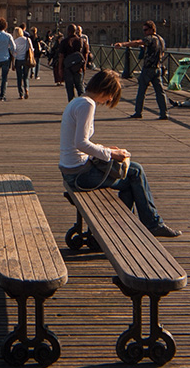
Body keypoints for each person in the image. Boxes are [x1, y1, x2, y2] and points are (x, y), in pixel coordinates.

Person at [59, 70, 182, 238]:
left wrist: (108, 149)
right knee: (135, 172)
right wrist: (110, 153)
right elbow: (80, 143)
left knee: (130, 179)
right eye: (110, 95)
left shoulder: (78, 101)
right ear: (105, 90)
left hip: (72, 169)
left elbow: (78, 142)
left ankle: (118, 230)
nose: (109, 100)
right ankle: (151, 224)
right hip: (79, 175)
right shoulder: (87, 105)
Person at [115, 20, 168, 120]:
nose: (144, 32)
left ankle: (138, 112)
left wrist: (122, 44)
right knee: (160, 92)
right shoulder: (161, 39)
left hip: (148, 68)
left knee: (141, 91)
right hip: (158, 68)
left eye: (146, 30)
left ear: (152, 29)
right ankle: (164, 113)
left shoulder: (150, 38)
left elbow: (137, 42)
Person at [58, 24, 88, 101]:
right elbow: (85, 55)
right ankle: (83, 104)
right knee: (80, 86)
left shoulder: (64, 42)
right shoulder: (81, 41)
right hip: (78, 67)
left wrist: (60, 68)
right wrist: (84, 66)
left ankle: (72, 106)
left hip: (68, 67)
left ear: (68, 31)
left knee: (69, 87)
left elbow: (61, 56)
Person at [12, 26, 34, 100]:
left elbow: (13, 52)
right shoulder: (27, 39)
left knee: (19, 77)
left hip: (18, 60)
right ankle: (26, 90)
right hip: (26, 60)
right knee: (26, 77)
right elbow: (31, 49)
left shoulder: (15, 41)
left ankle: (21, 94)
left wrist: (13, 63)